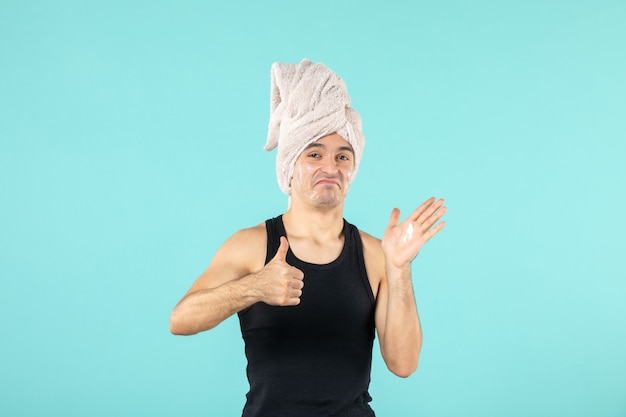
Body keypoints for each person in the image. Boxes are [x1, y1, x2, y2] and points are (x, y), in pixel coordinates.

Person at [170, 59, 447, 417]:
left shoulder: (376, 254)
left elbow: (404, 363)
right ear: (290, 163)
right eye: (314, 154)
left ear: (353, 168)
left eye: (342, 156)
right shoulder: (252, 246)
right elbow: (181, 319)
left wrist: (399, 268)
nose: (330, 167)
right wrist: (253, 287)